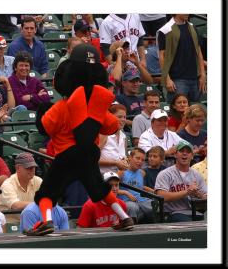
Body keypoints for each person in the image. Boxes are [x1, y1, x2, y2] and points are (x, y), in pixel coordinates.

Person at [25, 44, 134, 236]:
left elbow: (47, 127)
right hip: (88, 154)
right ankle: (124, 216)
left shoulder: (62, 107)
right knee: (99, 189)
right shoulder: (97, 108)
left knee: (47, 192)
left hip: (67, 154)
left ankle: (47, 221)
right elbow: (111, 126)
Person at [157, 14, 206, 103]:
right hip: (176, 79)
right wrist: (167, 79)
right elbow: (162, 56)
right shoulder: (165, 30)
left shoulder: (192, 27)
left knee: (195, 112)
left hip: (195, 78)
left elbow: (198, 52)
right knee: (177, 112)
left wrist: (203, 74)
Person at [155, 140, 207, 222]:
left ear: (192, 156)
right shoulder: (165, 174)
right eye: (181, 151)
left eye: (188, 151)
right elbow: (162, 196)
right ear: (175, 154)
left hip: (195, 212)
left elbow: (206, 197)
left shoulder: (196, 174)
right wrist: (187, 191)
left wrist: (198, 194)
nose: (185, 153)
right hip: (172, 214)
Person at [0, 152, 42, 221]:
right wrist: (40, 204)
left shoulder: (38, 181)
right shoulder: (8, 184)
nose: (32, 170)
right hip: (11, 226)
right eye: (28, 167)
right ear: (17, 168)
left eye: (33, 167)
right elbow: (16, 206)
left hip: (30, 222)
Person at [117, 147, 155, 224]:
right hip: (126, 201)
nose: (140, 161)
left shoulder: (142, 173)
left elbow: (140, 186)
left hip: (139, 200)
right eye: (137, 158)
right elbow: (112, 190)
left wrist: (153, 191)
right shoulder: (122, 172)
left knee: (155, 204)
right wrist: (126, 193)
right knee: (132, 206)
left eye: (142, 160)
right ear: (130, 158)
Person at [99, 103, 129, 175]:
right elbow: (92, 159)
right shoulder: (103, 135)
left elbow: (123, 157)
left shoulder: (123, 136)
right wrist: (115, 163)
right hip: (102, 177)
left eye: (124, 117)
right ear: (111, 117)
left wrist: (125, 161)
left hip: (119, 178)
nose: (123, 120)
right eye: (119, 117)